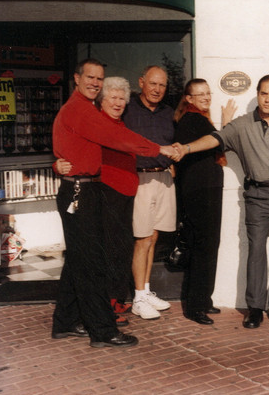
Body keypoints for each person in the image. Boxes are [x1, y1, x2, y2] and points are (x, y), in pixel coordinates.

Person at [52, 59, 176, 348]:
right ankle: (103, 331)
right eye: (91, 77)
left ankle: (65, 322)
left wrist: (57, 164)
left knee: (77, 262)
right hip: (80, 192)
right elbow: (118, 138)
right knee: (92, 264)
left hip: (83, 190)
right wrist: (159, 148)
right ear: (76, 78)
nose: (95, 82)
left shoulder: (80, 109)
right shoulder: (80, 110)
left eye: (99, 78)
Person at [173, 75, 269, 329]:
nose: (267, 99)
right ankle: (255, 308)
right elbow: (216, 139)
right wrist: (186, 149)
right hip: (257, 196)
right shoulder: (242, 125)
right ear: (257, 94)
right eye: (263, 93)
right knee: (255, 252)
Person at [54, 76, 138, 327]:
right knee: (104, 252)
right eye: (113, 97)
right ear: (102, 100)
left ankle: (102, 305)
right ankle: (105, 310)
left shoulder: (121, 125)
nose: (118, 102)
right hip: (102, 193)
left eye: (122, 98)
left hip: (124, 193)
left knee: (120, 248)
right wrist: (57, 164)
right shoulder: (95, 124)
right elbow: (71, 150)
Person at [173, 79, 237, 325]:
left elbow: (215, 142)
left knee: (209, 244)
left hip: (206, 189)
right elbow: (219, 141)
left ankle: (203, 300)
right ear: (188, 98)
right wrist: (227, 124)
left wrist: (223, 125)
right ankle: (195, 306)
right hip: (199, 191)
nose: (206, 97)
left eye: (208, 93)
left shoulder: (200, 119)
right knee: (204, 245)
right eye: (200, 94)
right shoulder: (192, 120)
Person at [122, 65, 176, 320]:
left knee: (153, 237)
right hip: (140, 180)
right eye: (153, 83)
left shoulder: (168, 112)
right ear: (141, 82)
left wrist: (173, 161)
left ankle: (146, 290)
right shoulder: (128, 109)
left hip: (163, 178)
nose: (157, 89)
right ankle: (138, 297)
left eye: (162, 85)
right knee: (142, 238)